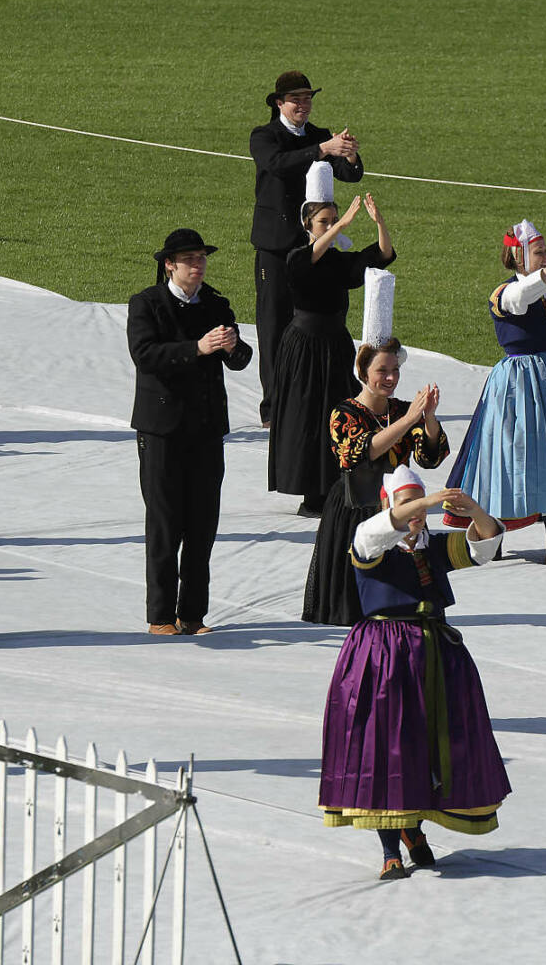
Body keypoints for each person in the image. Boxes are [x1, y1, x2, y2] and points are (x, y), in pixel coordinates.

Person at [318, 467, 511, 880]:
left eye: (419, 504)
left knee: (429, 745)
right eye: (406, 504)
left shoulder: (431, 547)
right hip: (382, 656)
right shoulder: (373, 544)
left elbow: (485, 546)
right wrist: (422, 503)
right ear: (391, 504)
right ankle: (390, 848)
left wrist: (472, 508)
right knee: (387, 746)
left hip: (435, 653)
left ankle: (413, 828)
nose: (417, 515)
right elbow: (375, 531)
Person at [445, 221, 546, 564]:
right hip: (517, 384)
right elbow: (522, 297)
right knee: (507, 459)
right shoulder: (503, 293)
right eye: (540, 252)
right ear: (518, 257)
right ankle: (495, 543)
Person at [127, 229, 252, 636]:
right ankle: (160, 615)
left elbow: (241, 359)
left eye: (201, 258)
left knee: (202, 524)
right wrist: (197, 348)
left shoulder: (215, 303)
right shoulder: (146, 304)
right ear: (169, 265)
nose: (198, 266)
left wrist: (232, 346)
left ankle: (193, 614)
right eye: (189, 260)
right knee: (165, 523)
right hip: (161, 430)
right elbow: (145, 356)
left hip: (205, 429)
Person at [301, 336, 449, 625]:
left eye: (395, 370)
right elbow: (356, 454)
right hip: (356, 506)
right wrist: (408, 420)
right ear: (363, 371)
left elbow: (429, 458)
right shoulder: (343, 413)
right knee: (355, 596)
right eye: (382, 370)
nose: (391, 377)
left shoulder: (401, 409)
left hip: (399, 505)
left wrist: (429, 418)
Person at [269, 192, 395, 516]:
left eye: (332, 220)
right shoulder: (296, 257)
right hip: (305, 348)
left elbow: (381, 255)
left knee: (340, 413)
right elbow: (306, 262)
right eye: (322, 221)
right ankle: (312, 493)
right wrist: (340, 225)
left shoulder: (339, 262)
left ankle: (338, 486)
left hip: (336, 345)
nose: (330, 226)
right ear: (307, 224)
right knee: (308, 417)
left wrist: (379, 223)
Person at [249, 70, 363, 426]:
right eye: (296, 99)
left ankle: (320, 395)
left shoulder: (318, 136)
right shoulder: (264, 136)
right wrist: (322, 149)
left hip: (315, 247)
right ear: (280, 103)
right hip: (277, 247)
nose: (303, 105)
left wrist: (349, 155)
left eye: (308, 98)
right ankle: (274, 409)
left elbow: (349, 175)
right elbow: (277, 165)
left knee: (319, 318)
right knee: (274, 324)